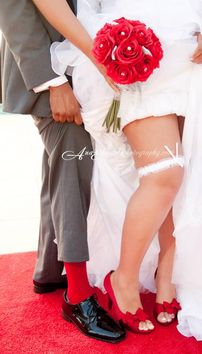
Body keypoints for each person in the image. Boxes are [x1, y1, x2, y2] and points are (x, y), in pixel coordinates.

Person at [32, 0, 202, 348]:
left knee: (185, 170)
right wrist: (103, 51)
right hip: (134, 46)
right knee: (164, 172)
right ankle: (123, 278)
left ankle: (167, 277)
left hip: (190, 47)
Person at [0, 0, 126, 343]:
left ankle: (50, 270)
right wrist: (53, 83)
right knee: (73, 170)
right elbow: (14, 12)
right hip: (53, 76)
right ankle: (79, 296)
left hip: (86, 71)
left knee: (60, 165)